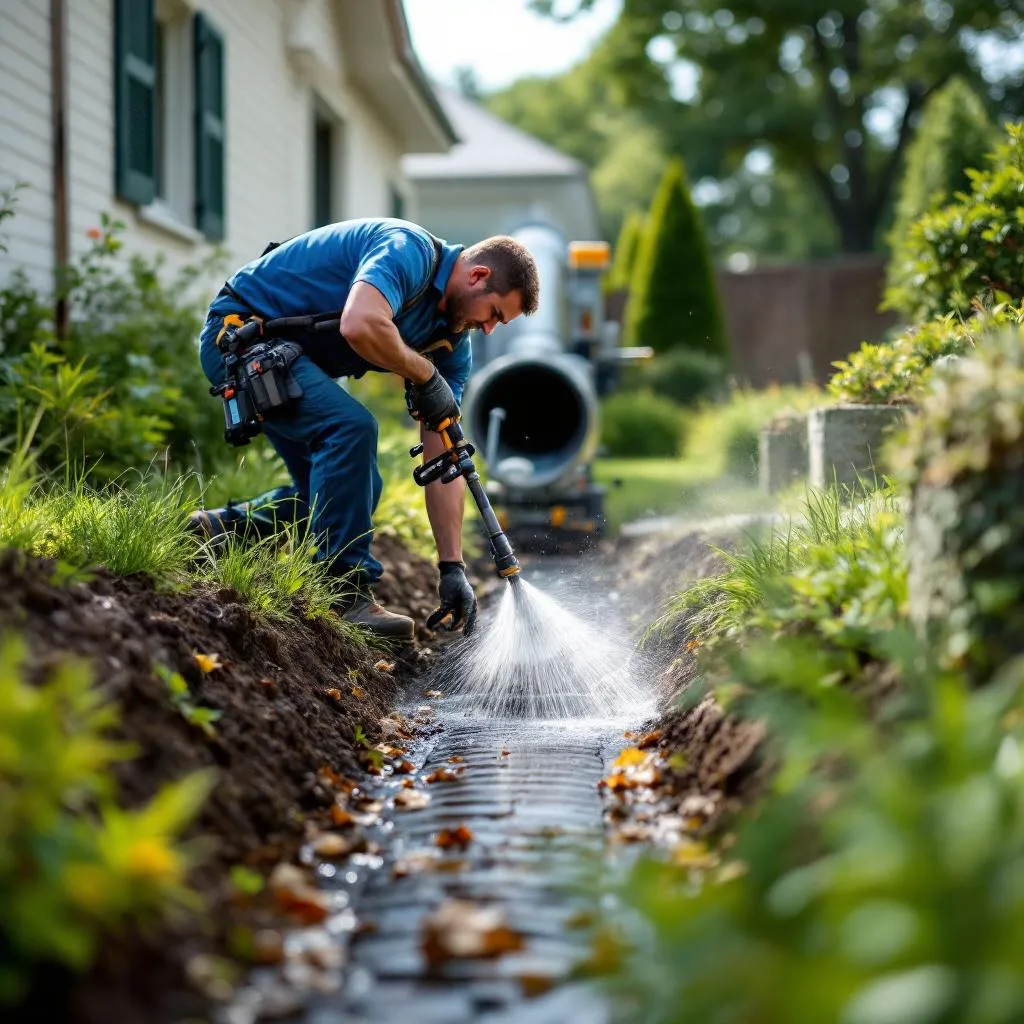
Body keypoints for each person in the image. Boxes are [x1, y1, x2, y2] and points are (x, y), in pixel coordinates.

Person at [190, 217, 540, 641]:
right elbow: (359, 323)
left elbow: (444, 456)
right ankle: (345, 593)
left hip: (289, 360)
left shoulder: (449, 344)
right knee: (352, 429)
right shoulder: (408, 251)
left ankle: (217, 529)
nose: (487, 329)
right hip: (239, 335)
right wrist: (424, 375)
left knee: (348, 492)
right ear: (477, 276)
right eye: (494, 314)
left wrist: (452, 567)